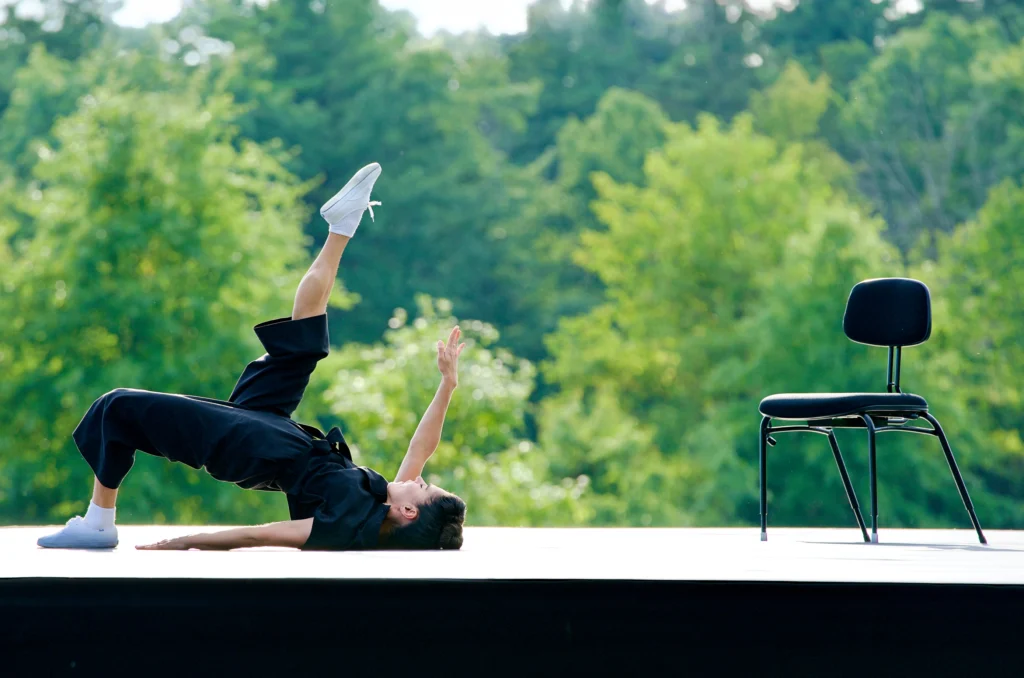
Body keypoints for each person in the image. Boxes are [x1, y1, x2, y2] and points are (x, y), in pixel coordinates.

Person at [37, 162, 467, 552]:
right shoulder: (382, 499)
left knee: (119, 406)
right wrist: (447, 385)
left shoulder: (345, 526)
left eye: (425, 489)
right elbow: (421, 447)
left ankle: (99, 523)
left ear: (409, 513)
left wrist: (185, 542)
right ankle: (342, 226)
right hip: (278, 431)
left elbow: (259, 533)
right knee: (303, 340)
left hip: (251, 448)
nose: (419, 480)